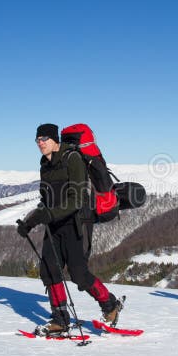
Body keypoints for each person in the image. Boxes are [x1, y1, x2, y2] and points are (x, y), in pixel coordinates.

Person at [16, 123, 123, 335]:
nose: (40, 143)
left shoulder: (72, 159)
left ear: (55, 140)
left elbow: (77, 199)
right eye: (37, 140)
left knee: (78, 274)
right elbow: (46, 201)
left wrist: (50, 214)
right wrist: (30, 222)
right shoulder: (44, 165)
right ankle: (59, 319)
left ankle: (110, 305)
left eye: (44, 139)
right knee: (49, 269)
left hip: (77, 223)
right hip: (54, 225)